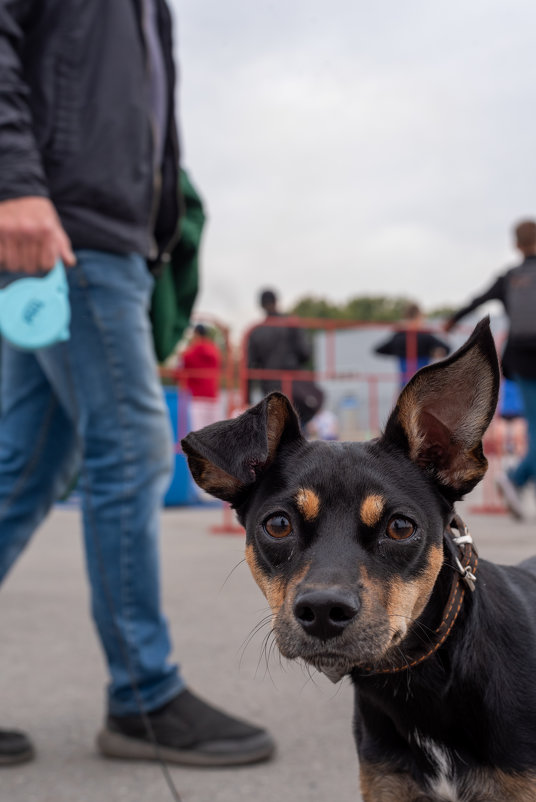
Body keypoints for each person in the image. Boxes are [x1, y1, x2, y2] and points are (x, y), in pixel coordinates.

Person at [0, 0, 273, 767]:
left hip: (93, 229)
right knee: (134, 448)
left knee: (28, 468)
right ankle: (143, 695)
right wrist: (15, 179)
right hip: (71, 228)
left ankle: (142, 691)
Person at [445, 219, 536, 520]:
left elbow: (478, 300)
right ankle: (516, 479)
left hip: (521, 359)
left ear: (517, 245)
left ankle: (520, 478)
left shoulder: (510, 277)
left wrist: (452, 320)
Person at [247, 289, 323, 425]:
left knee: (275, 430)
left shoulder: (255, 330)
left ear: (261, 305)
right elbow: (305, 353)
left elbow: (249, 366)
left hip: (269, 391)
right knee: (299, 424)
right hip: (294, 388)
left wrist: (247, 399)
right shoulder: (291, 324)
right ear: (276, 301)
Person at [374, 303, 451, 387]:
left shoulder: (399, 336)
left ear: (406, 316)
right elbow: (447, 349)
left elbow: (378, 350)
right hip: (423, 386)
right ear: (419, 316)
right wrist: (434, 352)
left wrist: (398, 352)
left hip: (405, 387)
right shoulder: (425, 335)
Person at [179, 324, 222, 430]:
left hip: (197, 399)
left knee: (198, 437)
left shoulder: (190, 352)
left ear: (196, 334)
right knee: (214, 436)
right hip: (213, 398)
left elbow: (177, 373)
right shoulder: (215, 350)